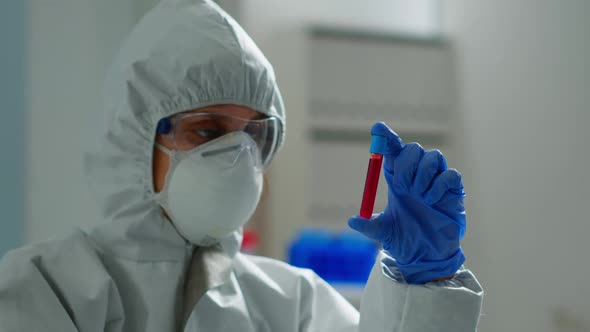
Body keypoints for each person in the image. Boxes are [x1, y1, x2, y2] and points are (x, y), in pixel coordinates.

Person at [0, 0, 483, 331]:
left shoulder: (293, 302)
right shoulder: (43, 288)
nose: (236, 157)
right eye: (207, 132)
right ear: (133, 140)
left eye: (253, 134)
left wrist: (422, 287)